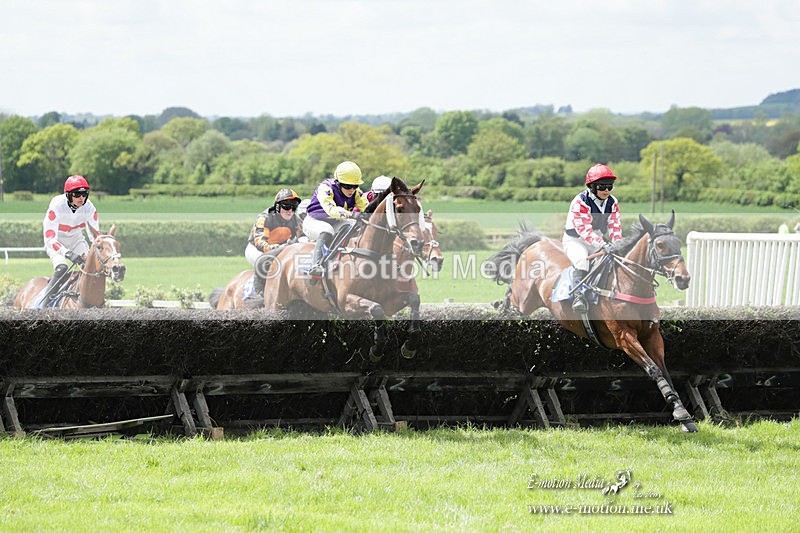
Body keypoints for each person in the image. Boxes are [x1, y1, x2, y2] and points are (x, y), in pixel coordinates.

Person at [33, 175, 101, 308]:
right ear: (68, 195)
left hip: (76, 239)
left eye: (84, 194)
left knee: (89, 266)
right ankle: (42, 305)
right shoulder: (57, 205)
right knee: (62, 268)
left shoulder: (89, 207)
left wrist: (96, 252)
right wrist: (68, 253)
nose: (82, 198)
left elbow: (94, 236)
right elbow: (50, 238)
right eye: (77, 195)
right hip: (56, 241)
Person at [563, 163, 623, 314]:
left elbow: (615, 226)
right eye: (602, 186)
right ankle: (578, 297)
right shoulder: (580, 201)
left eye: (610, 186)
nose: (607, 190)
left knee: (613, 259)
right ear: (592, 186)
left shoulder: (613, 202)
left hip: (597, 240)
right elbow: (584, 230)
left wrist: (617, 244)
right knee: (582, 260)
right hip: (575, 240)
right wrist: (603, 244)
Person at [303, 161, 369, 280]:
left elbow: (368, 208)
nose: (352, 190)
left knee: (354, 227)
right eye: (348, 186)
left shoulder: (357, 193)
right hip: (314, 221)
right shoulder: (325, 188)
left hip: (337, 222)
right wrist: (352, 214)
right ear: (338, 183)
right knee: (327, 230)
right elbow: (331, 210)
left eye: (355, 186)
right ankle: (316, 265)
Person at [245, 188, 303, 297]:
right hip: (256, 249)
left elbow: (304, 237)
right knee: (266, 263)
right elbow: (259, 242)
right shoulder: (265, 218)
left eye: (293, 207)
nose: (290, 210)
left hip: (281, 248)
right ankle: (255, 294)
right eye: (286, 206)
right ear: (277, 206)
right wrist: (273, 248)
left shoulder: (296, 220)